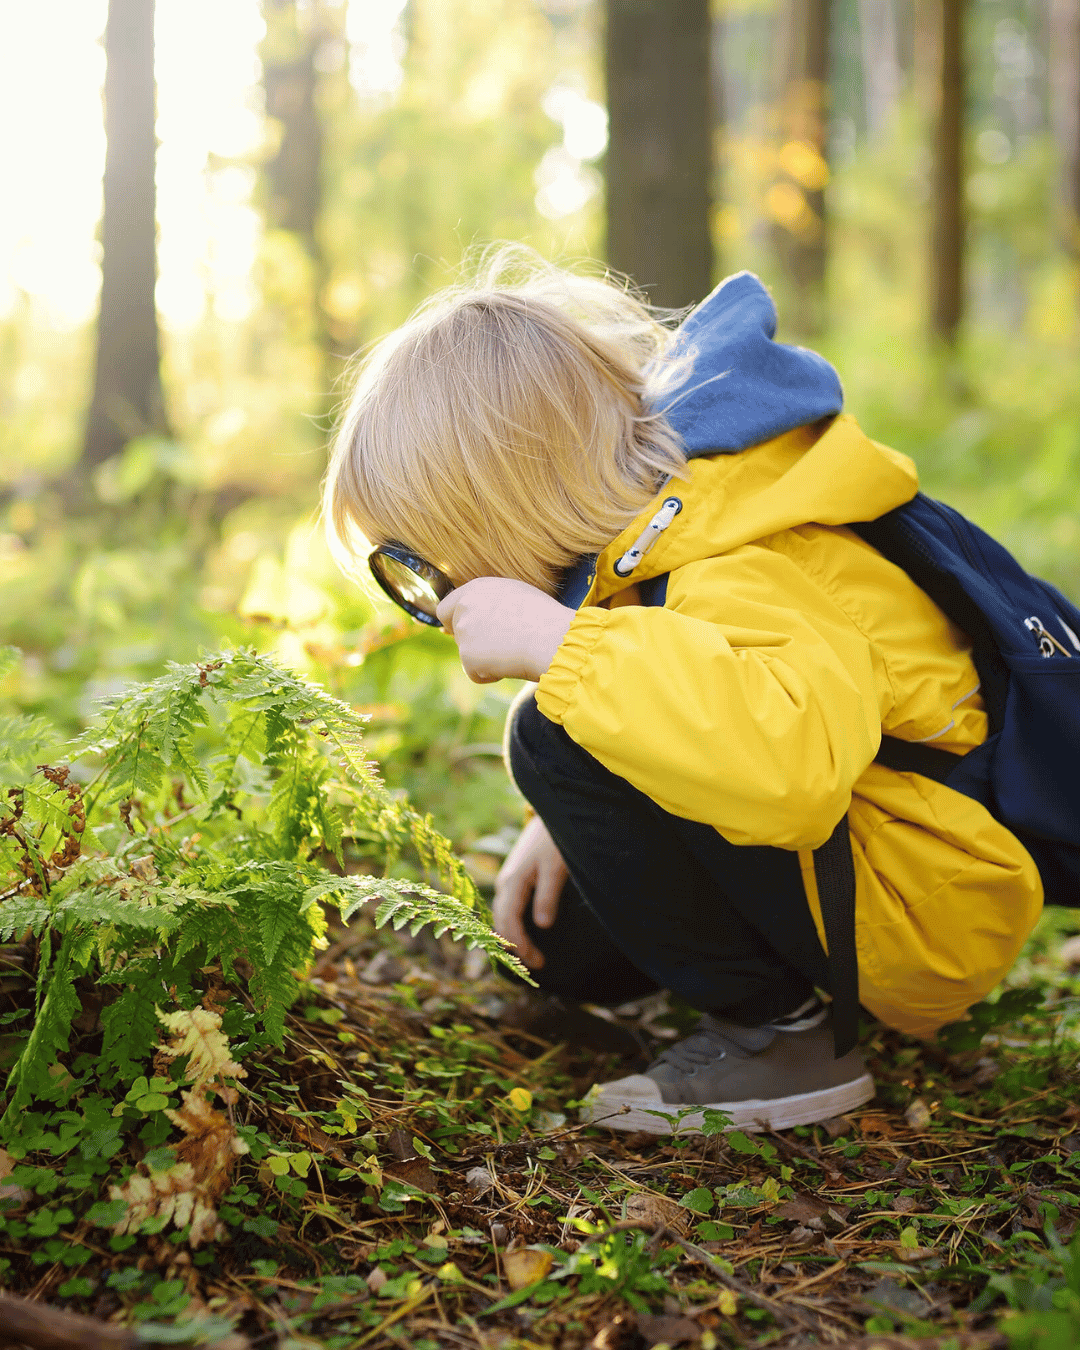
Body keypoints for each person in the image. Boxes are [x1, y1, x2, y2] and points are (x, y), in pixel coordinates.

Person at [323, 246, 1043, 1134]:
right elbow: (686, 685)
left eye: (423, 565)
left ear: (501, 510)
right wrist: (571, 816)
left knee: (545, 731)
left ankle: (781, 1039)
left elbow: (791, 770)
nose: (432, 598)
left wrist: (561, 650)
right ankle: (741, 989)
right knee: (561, 946)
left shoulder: (740, 550)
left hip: (922, 901)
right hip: (864, 863)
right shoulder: (652, 540)